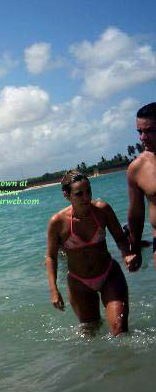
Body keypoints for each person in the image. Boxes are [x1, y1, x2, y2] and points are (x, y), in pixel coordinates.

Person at [46, 171, 134, 336]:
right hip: (80, 283)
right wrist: (54, 290)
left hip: (109, 274)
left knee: (119, 329)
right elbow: (51, 257)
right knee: (91, 334)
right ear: (67, 195)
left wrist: (126, 254)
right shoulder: (57, 223)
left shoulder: (102, 210)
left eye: (89, 191)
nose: (86, 197)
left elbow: (120, 238)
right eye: (79, 194)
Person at [127, 102, 156, 271]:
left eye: (150, 131)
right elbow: (136, 215)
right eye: (140, 132)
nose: (143, 137)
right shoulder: (137, 168)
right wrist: (135, 249)